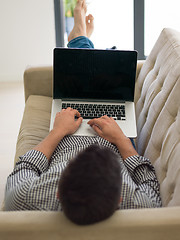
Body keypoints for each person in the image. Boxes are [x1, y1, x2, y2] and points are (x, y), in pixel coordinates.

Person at [4, 0, 162, 225]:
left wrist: (57, 132)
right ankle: (80, 39)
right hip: (113, 137)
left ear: (58, 192)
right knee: (103, 84)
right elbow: (147, 177)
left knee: (86, 81)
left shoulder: (22, 199)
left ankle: (80, 39)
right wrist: (119, 138)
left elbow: (27, 165)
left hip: (65, 133)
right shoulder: (142, 204)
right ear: (119, 199)